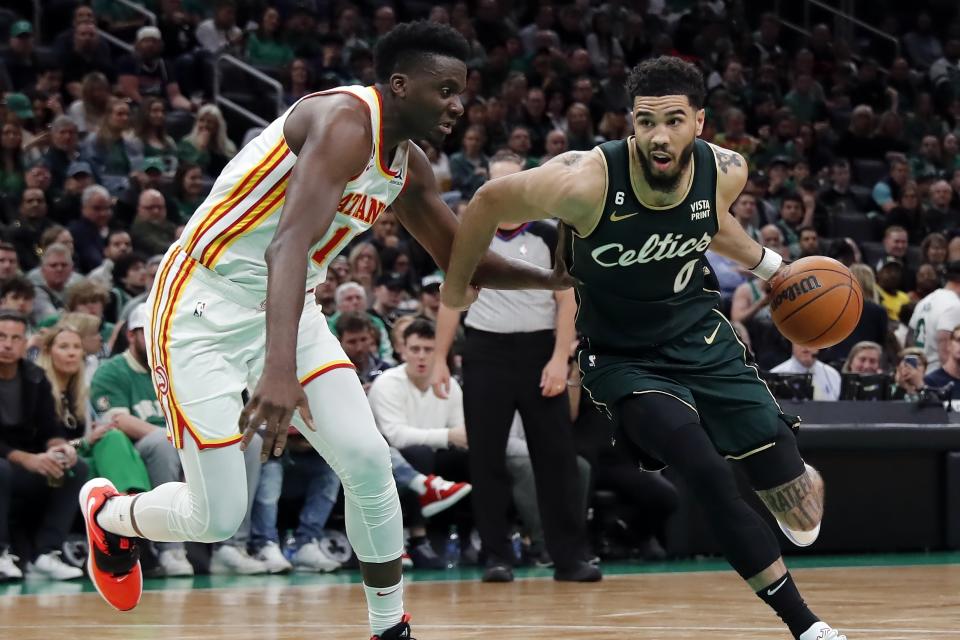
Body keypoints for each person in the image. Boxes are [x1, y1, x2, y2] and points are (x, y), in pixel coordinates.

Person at [78, 22, 567, 640]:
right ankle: (112, 515)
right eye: (444, 90)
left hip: (289, 306)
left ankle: (390, 627)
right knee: (217, 515)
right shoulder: (343, 122)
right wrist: (279, 370)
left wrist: (562, 278)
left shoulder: (406, 167)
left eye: (461, 92)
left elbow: (459, 264)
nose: (458, 105)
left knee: (366, 459)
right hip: (201, 304)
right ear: (398, 85)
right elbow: (287, 246)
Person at [441, 57, 847, 640]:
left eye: (674, 121)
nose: (658, 135)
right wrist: (458, 290)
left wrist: (773, 267)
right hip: (623, 357)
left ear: (699, 123)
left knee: (802, 517)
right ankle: (807, 627)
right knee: (703, 470)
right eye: (645, 121)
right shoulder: (582, 180)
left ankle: (793, 467)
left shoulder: (726, 171)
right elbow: (484, 202)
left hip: (702, 338)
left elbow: (710, 223)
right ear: (630, 122)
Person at [434, 150, 598, 584]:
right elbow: (452, 297)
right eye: (492, 182)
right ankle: (496, 555)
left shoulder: (549, 233)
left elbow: (568, 298)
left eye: (509, 182)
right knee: (486, 458)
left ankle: (570, 557)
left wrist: (560, 360)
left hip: (540, 352)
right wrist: (438, 358)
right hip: (485, 354)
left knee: (558, 459)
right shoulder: (471, 233)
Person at [0, 310, 87, 581]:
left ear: (26, 343)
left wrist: (60, 448)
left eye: (16, 338)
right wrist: (26, 459)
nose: (7, 344)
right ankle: (2, 553)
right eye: (1, 337)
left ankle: (46, 554)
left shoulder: (35, 376)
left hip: (25, 464)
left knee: (75, 468)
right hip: (8, 462)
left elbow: (50, 428)